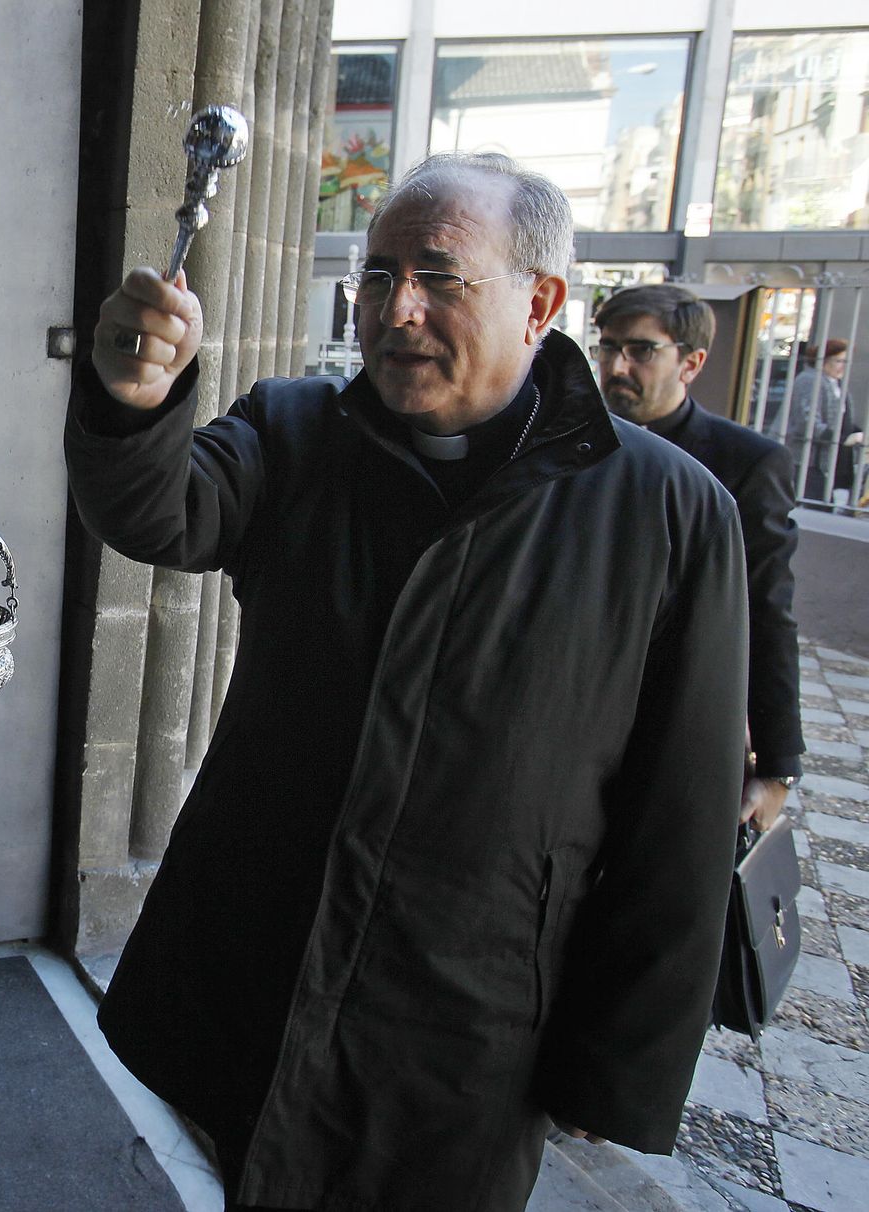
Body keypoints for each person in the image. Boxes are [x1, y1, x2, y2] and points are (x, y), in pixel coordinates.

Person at [65, 152, 748, 1211]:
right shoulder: (298, 432)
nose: (397, 308)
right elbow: (162, 513)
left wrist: (616, 1064)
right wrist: (131, 401)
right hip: (263, 960)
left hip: (468, 1010)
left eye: (438, 276)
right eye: (378, 276)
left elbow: (683, 820)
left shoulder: (666, 511)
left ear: (543, 303)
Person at [596, 284, 804, 829]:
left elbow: (766, 608)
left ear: (692, 363)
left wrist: (779, 767)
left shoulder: (745, 463)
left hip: (678, 719)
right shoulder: (569, 440)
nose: (617, 365)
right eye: (608, 345)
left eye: (641, 350)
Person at [768, 337, 863, 503]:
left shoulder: (836, 384)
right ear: (823, 360)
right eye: (838, 360)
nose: (843, 365)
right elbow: (807, 422)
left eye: (846, 361)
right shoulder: (810, 380)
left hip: (827, 460)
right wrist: (842, 439)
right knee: (812, 502)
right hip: (806, 459)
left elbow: (842, 421)